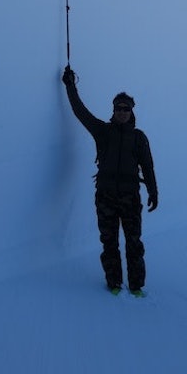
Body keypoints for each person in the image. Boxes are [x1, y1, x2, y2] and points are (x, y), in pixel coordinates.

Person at [62, 65, 159, 296]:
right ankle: (114, 283)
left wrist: (153, 192)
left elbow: (148, 167)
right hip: (106, 197)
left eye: (126, 108)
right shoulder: (102, 132)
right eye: (118, 108)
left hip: (130, 198)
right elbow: (80, 112)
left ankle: (136, 286)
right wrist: (70, 85)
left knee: (134, 243)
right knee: (109, 242)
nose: (122, 112)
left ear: (132, 112)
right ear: (113, 110)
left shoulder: (139, 138)